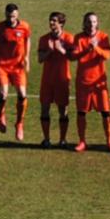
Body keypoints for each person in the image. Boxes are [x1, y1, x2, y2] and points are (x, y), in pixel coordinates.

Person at [71, 12, 110, 153]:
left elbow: (107, 55)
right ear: (84, 23)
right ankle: (82, 141)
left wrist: (96, 48)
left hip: (99, 82)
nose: (91, 25)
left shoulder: (103, 37)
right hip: (83, 82)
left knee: (105, 112)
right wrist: (87, 49)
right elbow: (73, 56)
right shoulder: (78, 38)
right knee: (81, 113)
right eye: (89, 22)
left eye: (94, 22)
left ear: (97, 23)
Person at [0, 3, 32, 141]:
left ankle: (19, 123)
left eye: (13, 15)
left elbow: (28, 39)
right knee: (3, 94)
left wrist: (27, 57)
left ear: (17, 14)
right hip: (2, 66)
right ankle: (1, 114)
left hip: (18, 67)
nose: (11, 18)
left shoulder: (24, 26)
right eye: (9, 15)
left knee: (22, 94)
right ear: (5, 14)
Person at [36, 11, 75, 148]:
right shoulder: (44, 39)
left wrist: (61, 50)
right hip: (47, 80)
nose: (51, 23)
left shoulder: (69, 38)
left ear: (61, 23)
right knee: (44, 109)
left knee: (63, 110)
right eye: (50, 20)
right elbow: (40, 59)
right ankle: (46, 139)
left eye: (54, 21)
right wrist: (49, 51)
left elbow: (73, 57)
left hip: (62, 80)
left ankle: (62, 140)